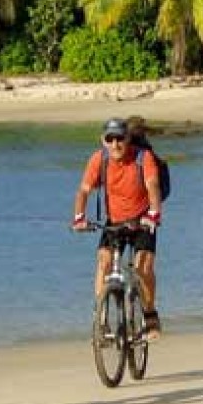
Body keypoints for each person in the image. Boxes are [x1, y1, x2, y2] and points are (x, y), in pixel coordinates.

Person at [71, 116, 163, 339]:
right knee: (103, 260)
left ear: (128, 138)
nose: (115, 145)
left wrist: (153, 214)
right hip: (114, 221)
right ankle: (101, 320)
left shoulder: (143, 157)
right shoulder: (99, 160)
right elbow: (84, 190)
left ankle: (150, 317)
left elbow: (153, 186)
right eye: (109, 139)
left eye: (119, 138)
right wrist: (79, 217)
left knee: (143, 266)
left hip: (142, 220)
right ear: (103, 140)